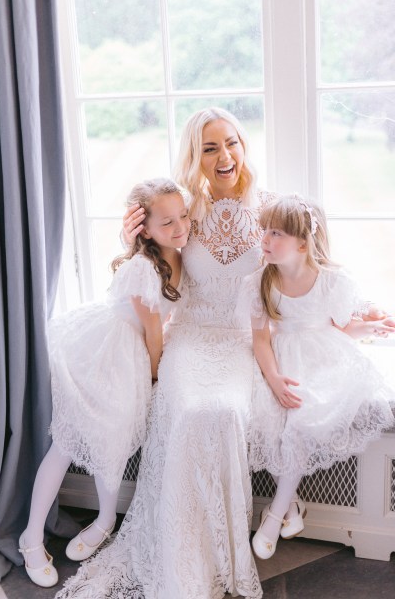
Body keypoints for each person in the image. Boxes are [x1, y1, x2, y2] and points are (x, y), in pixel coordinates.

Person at [54, 108, 392, 599]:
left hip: (244, 342)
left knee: (227, 411)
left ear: (243, 145)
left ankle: (226, 551)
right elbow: (150, 272)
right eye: (210, 147)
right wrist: (130, 239)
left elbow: (310, 261)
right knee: (192, 410)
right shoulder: (184, 210)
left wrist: (361, 309)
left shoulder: (270, 208)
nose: (224, 155)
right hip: (190, 338)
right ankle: (182, 559)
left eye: (231, 142)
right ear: (197, 156)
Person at [18, 178, 190, 588]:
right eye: (168, 222)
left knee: (111, 440)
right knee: (67, 443)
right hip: (109, 353)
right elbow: (152, 332)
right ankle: (30, 537)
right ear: (144, 229)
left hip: (133, 352)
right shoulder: (141, 268)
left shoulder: (181, 251)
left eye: (184, 216)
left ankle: (105, 520)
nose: (181, 227)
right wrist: (153, 377)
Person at [239, 194, 395, 560]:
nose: (264, 239)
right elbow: (260, 341)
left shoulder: (331, 281)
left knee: (301, 423)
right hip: (280, 361)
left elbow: (344, 330)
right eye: (264, 230)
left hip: (322, 360)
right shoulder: (260, 282)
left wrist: (373, 327)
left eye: (275, 233)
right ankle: (292, 508)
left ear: (303, 243)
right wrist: (275, 379)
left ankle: (275, 514)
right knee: (268, 419)